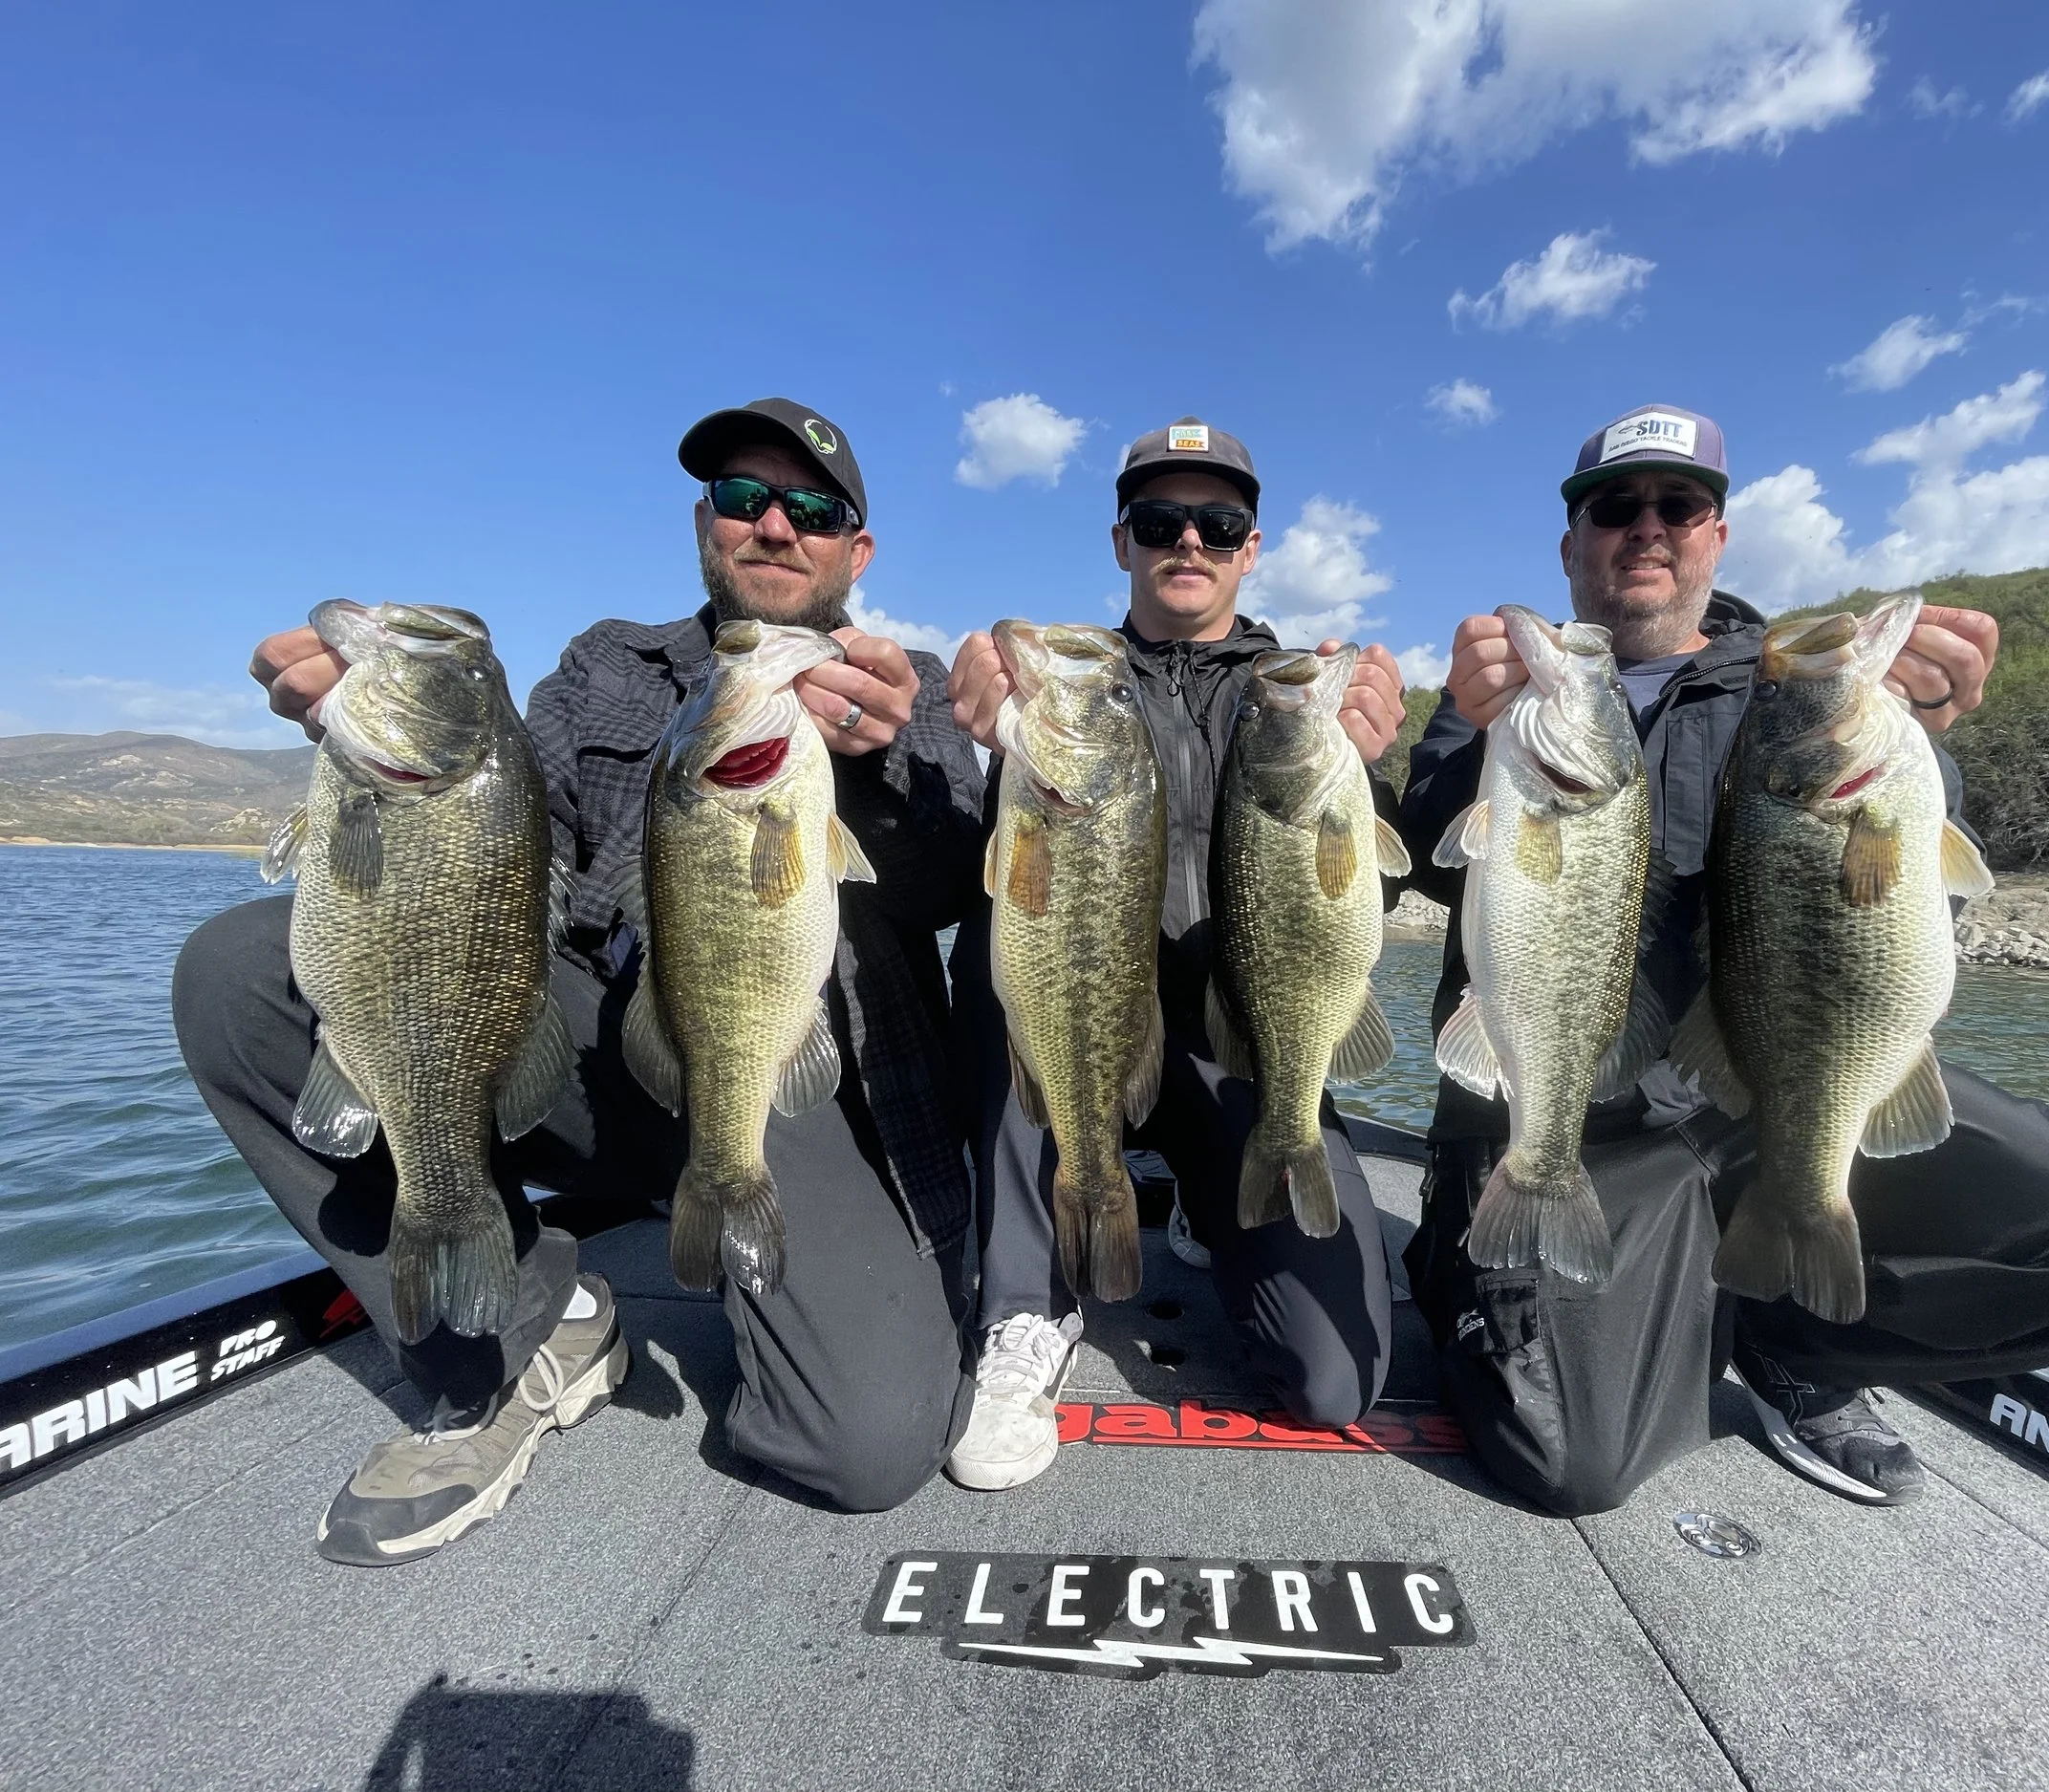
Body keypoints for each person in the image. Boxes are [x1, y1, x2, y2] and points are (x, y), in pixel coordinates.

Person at [174, 399, 985, 1563]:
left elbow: (957, 885)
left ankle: (788, 1266)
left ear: (855, 551)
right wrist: (389, 755)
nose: (772, 525)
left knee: (865, 1445)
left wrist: (888, 766)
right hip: (610, 1049)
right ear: (704, 523)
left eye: (810, 508)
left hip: (796, 1094)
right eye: (740, 498)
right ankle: (525, 1330)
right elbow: (515, 846)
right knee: (237, 972)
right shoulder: (606, 664)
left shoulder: (906, 690)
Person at [1398, 404, 2049, 1513]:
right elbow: (1430, 866)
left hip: (1784, 1074)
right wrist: (1468, 733)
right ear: (1571, 545)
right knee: (1566, 1463)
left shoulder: (1783, 698)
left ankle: (1799, 1339)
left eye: (1680, 505)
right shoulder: (1500, 707)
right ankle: (1501, 1264)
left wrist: (1921, 746)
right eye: (1614, 508)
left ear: (1718, 535)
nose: (1647, 527)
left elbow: (1894, 891)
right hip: (1587, 1120)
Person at [938, 418, 1412, 1491]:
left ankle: (1210, 1195)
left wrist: (1366, 768)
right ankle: (1023, 1311)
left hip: (1236, 1033)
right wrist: (983, 723)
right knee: (1008, 966)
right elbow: (1002, 851)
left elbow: (1354, 880)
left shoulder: (1293, 692)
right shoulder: (1077, 688)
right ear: (1121, 543)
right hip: (1086, 1010)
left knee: (1332, 1382)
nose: (1186, 541)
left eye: (1217, 522)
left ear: (1250, 547)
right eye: (1160, 521)